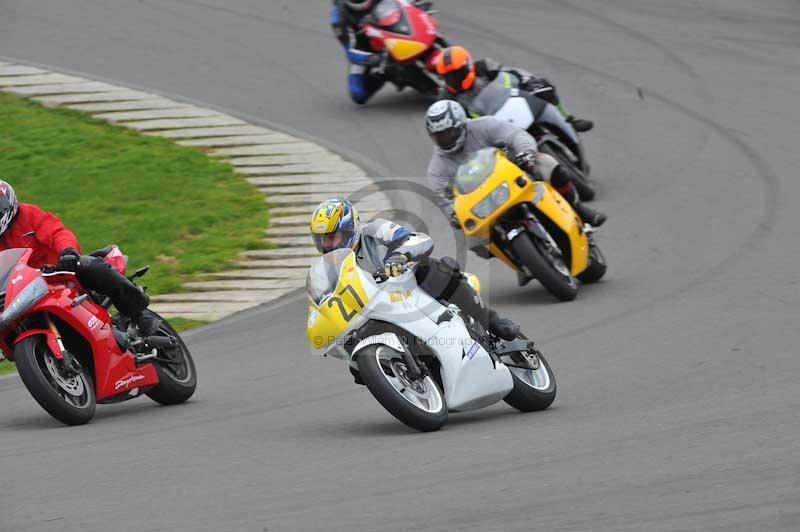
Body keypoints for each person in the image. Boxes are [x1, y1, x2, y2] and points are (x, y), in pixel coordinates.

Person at [309, 197, 521, 342]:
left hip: (408, 287)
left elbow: (417, 239)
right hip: (377, 309)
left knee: (436, 269)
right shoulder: (328, 270)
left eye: (332, 237)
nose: (327, 245)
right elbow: (323, 301)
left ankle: (493, 322)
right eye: (322, 240)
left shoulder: (375, 230)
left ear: (350, 229)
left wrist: (400, 257)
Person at [0, 181, 159, 341]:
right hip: (22, 290)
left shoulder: (28, 214)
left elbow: (56, 233)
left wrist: (67, 251)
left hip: (59, 272)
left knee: (93, 267)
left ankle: (139, 314)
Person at [432, 45, 593, 133]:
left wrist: (529, 81)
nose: (454, 78)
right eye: (448, 76)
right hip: (488, 127)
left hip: (511, 102)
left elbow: (511, 72)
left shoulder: (483, 66)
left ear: (468, 65)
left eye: (457, 73)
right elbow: (447, 125)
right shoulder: (446, 99)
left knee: (545, 87)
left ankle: (568, 119)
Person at [330, 0, 387, 105]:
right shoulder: (338, 17)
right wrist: (371, 58)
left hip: (390, 32)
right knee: (358, 94)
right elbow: (350, 51)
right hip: (364, 49)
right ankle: (386, 74)